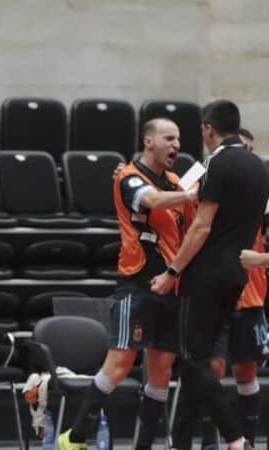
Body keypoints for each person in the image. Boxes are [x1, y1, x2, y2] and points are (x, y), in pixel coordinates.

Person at [58, 118, 197, 450]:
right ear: (149, 142)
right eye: (169, 138)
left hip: (172, 287)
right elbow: (152, 201)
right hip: (137, 285)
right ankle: (74, 437)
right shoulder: (128, 177)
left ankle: (144, 445)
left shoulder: (177, 182)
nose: (176, 145)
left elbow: (197, 210)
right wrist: (191, 194)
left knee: (161, 372)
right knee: (119, 365)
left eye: (179, 139)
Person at [150, 100, 269, 450]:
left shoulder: (217, 161)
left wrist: (172, 272)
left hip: (206, 274)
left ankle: (236, 439)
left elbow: (201, 226)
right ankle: (182, 442)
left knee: (192, 358)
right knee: (196, 363)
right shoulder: (258, 166)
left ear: (207, 128)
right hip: (237, 275)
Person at [199, 128, 266, 449]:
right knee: (211, 369)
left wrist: (262, 257)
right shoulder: (210, 179)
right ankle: (213, 441)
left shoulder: (260, 187)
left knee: (246, 372)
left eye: (249, 151)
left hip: (249, 296)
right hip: (214, 292)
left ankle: (248, 442)